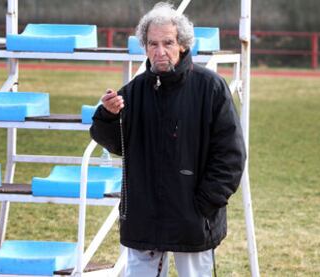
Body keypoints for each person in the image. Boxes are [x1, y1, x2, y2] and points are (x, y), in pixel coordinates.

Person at [90, 2, 246, 276]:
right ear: (145, 47)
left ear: (183, 45)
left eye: (167, 43)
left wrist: (205, 204)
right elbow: (117, 144)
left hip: (194, 219)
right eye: (152, 44)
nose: (159, 51)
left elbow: (231, 156)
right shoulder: (134, 91)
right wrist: (108, 116)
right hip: (143, 219)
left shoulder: (211, 88)